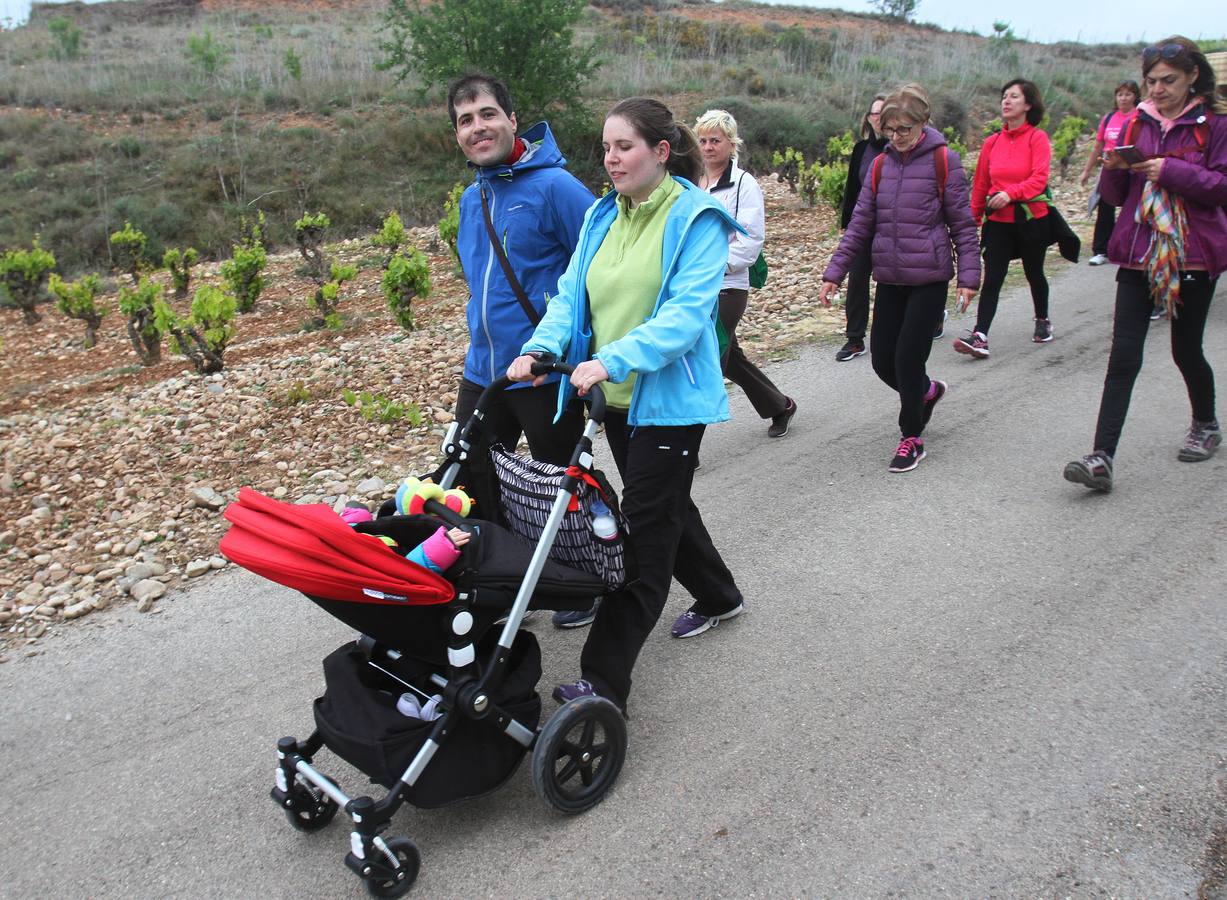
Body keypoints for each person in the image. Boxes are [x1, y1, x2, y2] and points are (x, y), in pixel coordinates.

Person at [507, 97, 745, 713]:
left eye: (625, 147)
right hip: (613, 401)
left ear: (661, 151)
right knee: (664, 502)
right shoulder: (601, 217)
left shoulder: (697, 220)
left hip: (668, 403)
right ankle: (720, 595)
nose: (611, 159)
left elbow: (684, 319)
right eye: (607, 148)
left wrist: (612, 359)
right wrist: (539, 347)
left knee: (642, 536)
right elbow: (569, 296)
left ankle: (603, 681)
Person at [446, 73, 598, 629]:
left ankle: (583, 581)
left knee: (557, 480)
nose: (477, 127)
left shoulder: (556, 188)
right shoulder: (472, 197)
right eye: (465, 120)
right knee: (472, 481)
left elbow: (596, 272)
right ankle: (503, 584)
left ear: (512, 118)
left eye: (487, 114)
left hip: (542, 369)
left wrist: (570, 350)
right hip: (484, 371)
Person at [1064, 37, 1226, 493]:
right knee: (1124, 355)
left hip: (1193, 251)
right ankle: (1101, 457)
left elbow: (1222, 187)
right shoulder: (1136, 123)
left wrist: (1168, 170)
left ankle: (1206, 423)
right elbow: (1115, 198)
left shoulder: (1215, 125)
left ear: (1193, 76)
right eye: (1151, 81)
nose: (1157, 90)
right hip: (1138, 253)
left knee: (1185, 348)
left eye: (1168, 81)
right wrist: (1115, 166)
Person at [818, 83, 980, 473]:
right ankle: (926, 392)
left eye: (904, 129)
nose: (896, 137)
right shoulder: (880, 166)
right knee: (882, 361)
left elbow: (962, 223)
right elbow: (860, 224)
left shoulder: (944, 161)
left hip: (929, 277)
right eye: (890, 130)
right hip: (889, 276)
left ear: (923, 123)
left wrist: (969, 277)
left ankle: (911, 436)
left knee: (908, 358)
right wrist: (835, 272)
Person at [694, 108, 797, 437]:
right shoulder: (692, 183)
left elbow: (751, 241)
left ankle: (685, 442)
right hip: (695, 285)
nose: (709, 147)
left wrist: (715, 265)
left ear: (731, 143)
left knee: (709, 357)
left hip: (728, 286)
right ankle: (779, 405)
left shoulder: (743, 184)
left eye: (716, 140)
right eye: (703, 140)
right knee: (731, 356)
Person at [956, 79, 1055, 357]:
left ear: (1028, 104)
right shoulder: (992, 143)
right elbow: (981, 185)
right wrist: (972, 220)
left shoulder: (1037, 138)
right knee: (993, 278)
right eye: (1004, 96)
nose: (1006, 101)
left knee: (1034, 272)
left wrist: (1011, 194)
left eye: (1014, 96)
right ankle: (980, 335)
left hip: (1031, 220)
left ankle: (1042, 319)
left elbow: (1039, 180)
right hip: (998, 222)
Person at [835, 94, 888, 362]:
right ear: (868, 119)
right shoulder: (861, 150)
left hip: (893, 227)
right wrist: (846, 226)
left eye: (883, 112)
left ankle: (933, 317)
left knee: (900, 278)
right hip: (863, 227)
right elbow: (851, 191)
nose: (878, 118)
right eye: (874, 113)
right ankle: (855, 339)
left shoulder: (900, 148)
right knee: (857, 278)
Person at [1080, 80, 1141, 268]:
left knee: (1133, 207)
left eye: (1128, 94)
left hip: (1132, 167)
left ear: (1135, 96)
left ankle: (1131, 247)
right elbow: (1098, 145)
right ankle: (1101, 250)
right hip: (1109, 167)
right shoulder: (1108, 118)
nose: (1123, 98)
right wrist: (1087, 170)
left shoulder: (1140, 116)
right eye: (1120, 94)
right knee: (1105, 206)